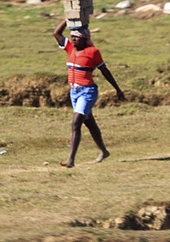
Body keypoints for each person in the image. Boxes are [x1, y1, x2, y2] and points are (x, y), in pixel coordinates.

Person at [52, 19, 125, 168]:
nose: (73, 38)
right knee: (89, 123)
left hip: (87, 92)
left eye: (77, 36)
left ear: (85, 38)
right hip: (74, 93)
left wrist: (118, 89)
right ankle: (104, 151)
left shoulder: (93, 52)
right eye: (72, 36)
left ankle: (71, 160)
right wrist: (68, 19)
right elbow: (56, 33)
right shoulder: (70, 48)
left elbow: (105, 71)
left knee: (76, 123)